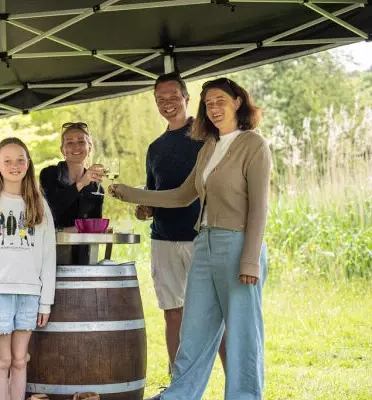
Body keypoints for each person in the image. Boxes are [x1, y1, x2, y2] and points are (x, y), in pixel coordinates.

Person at [110, 77, 271, 400]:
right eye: (208, 104)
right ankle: (179, 395)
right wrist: (129, 193)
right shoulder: (209, 146)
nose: (214, 108)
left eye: (220, 101)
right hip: (204, 243)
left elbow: (260, 207)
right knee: (194, 330)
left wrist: (250, 260)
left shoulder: (253, 144)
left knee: (242, 332)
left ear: (238, 102)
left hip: (238, 244)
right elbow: (182, 195)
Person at [137, 73, 226, 398]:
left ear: (187, 98)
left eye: (173, 96)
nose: (167, 103)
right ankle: (179, 389)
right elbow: (153, 194)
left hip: (202, 237)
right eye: (160, 98)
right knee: (173, 314)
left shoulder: (208, 136)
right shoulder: (155, 148)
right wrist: (144, 208)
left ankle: (235, 385)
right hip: (163, 240)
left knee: (217, 316)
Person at [0, 137, 56, 400]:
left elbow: (48, 256)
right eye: (7, 161)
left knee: (19, 359)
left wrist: (45, 302)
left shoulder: (39, 205)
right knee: (2, 360)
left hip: (30, 293)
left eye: (20, 160)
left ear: (28, 164)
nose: (14, 166)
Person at [39, 122, 105, 231]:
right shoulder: (49, 174)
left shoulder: (96, 188)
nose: (76, 146)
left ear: (89, 147)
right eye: (70, 142)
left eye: (81, 141)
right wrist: (81, 183)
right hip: (53, 242)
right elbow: (51, 210)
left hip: (83, 242)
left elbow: (94, 227)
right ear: (62, 150)